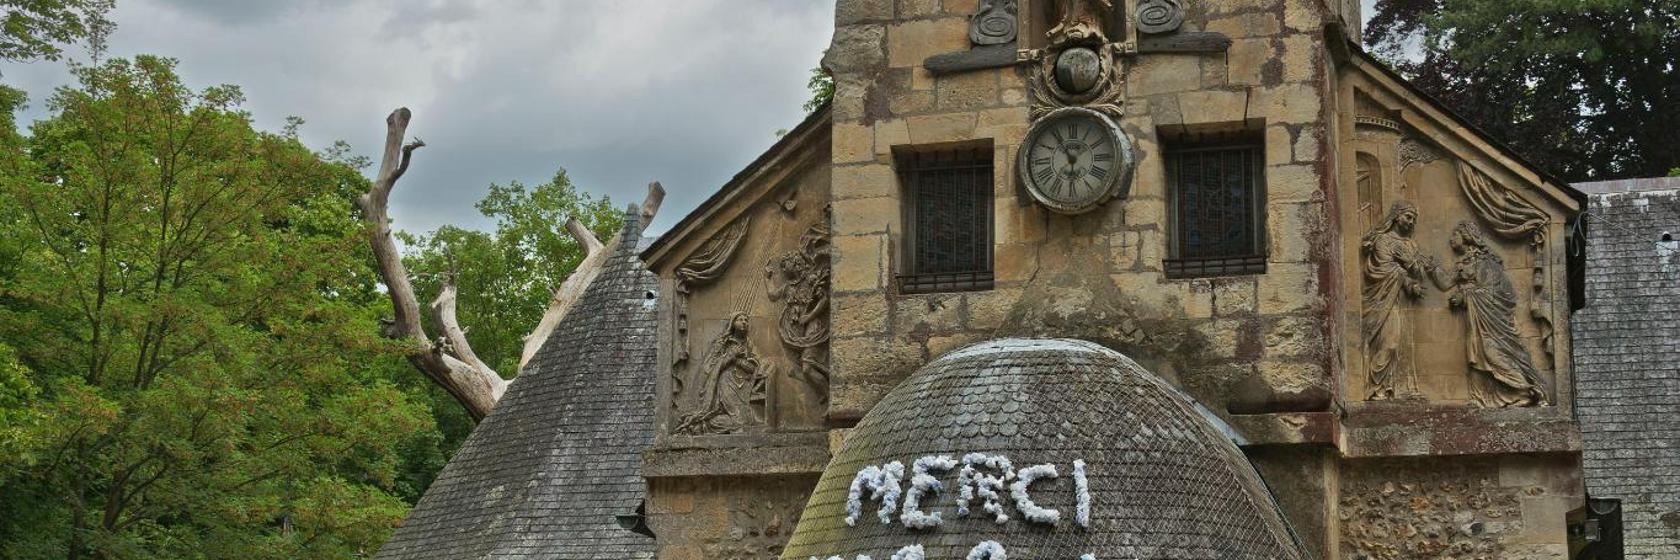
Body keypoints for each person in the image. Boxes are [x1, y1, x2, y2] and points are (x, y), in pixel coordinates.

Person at [1435, 221, 1548, 407]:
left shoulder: (1485, 262)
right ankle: (1486, 398)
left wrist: (1465, 296)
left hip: (1492, 322)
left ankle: (1525, 390)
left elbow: (1498, 293)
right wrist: (1430, 266)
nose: (1451, 239)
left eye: (1455, 234)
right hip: (1477, 321)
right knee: (1478, 355)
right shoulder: (1463, 263)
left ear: (1466, 236)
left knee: (1492, 352)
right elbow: (1445, 283)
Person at [1360, 201, 1430, 401]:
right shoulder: (1383, 240)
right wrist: (1408, 272)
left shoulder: (1410, 244)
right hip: (1382, 299)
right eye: (1408, 217)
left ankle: (1393, 388)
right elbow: (1381, 270)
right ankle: (1374, 386)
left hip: (1400, 300)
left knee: (1402, 344)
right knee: (1390, 343)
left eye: (1414, 219)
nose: (1411, 222)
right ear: (1396, 216)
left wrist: (1412, 280)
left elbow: (1419, 271)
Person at [674, 313, 769, 434]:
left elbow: (754, 368)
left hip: (743, 385)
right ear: (732, 323)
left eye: (746, 320)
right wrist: (730, 357)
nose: (744, 322)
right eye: (740, 320)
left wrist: (737, 360)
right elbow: (710, 367)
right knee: (740, 421)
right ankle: (704, 425)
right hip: (726, 383)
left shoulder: (749, 344)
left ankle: (706, 425)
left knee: (746, 420)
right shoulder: (723, 343)